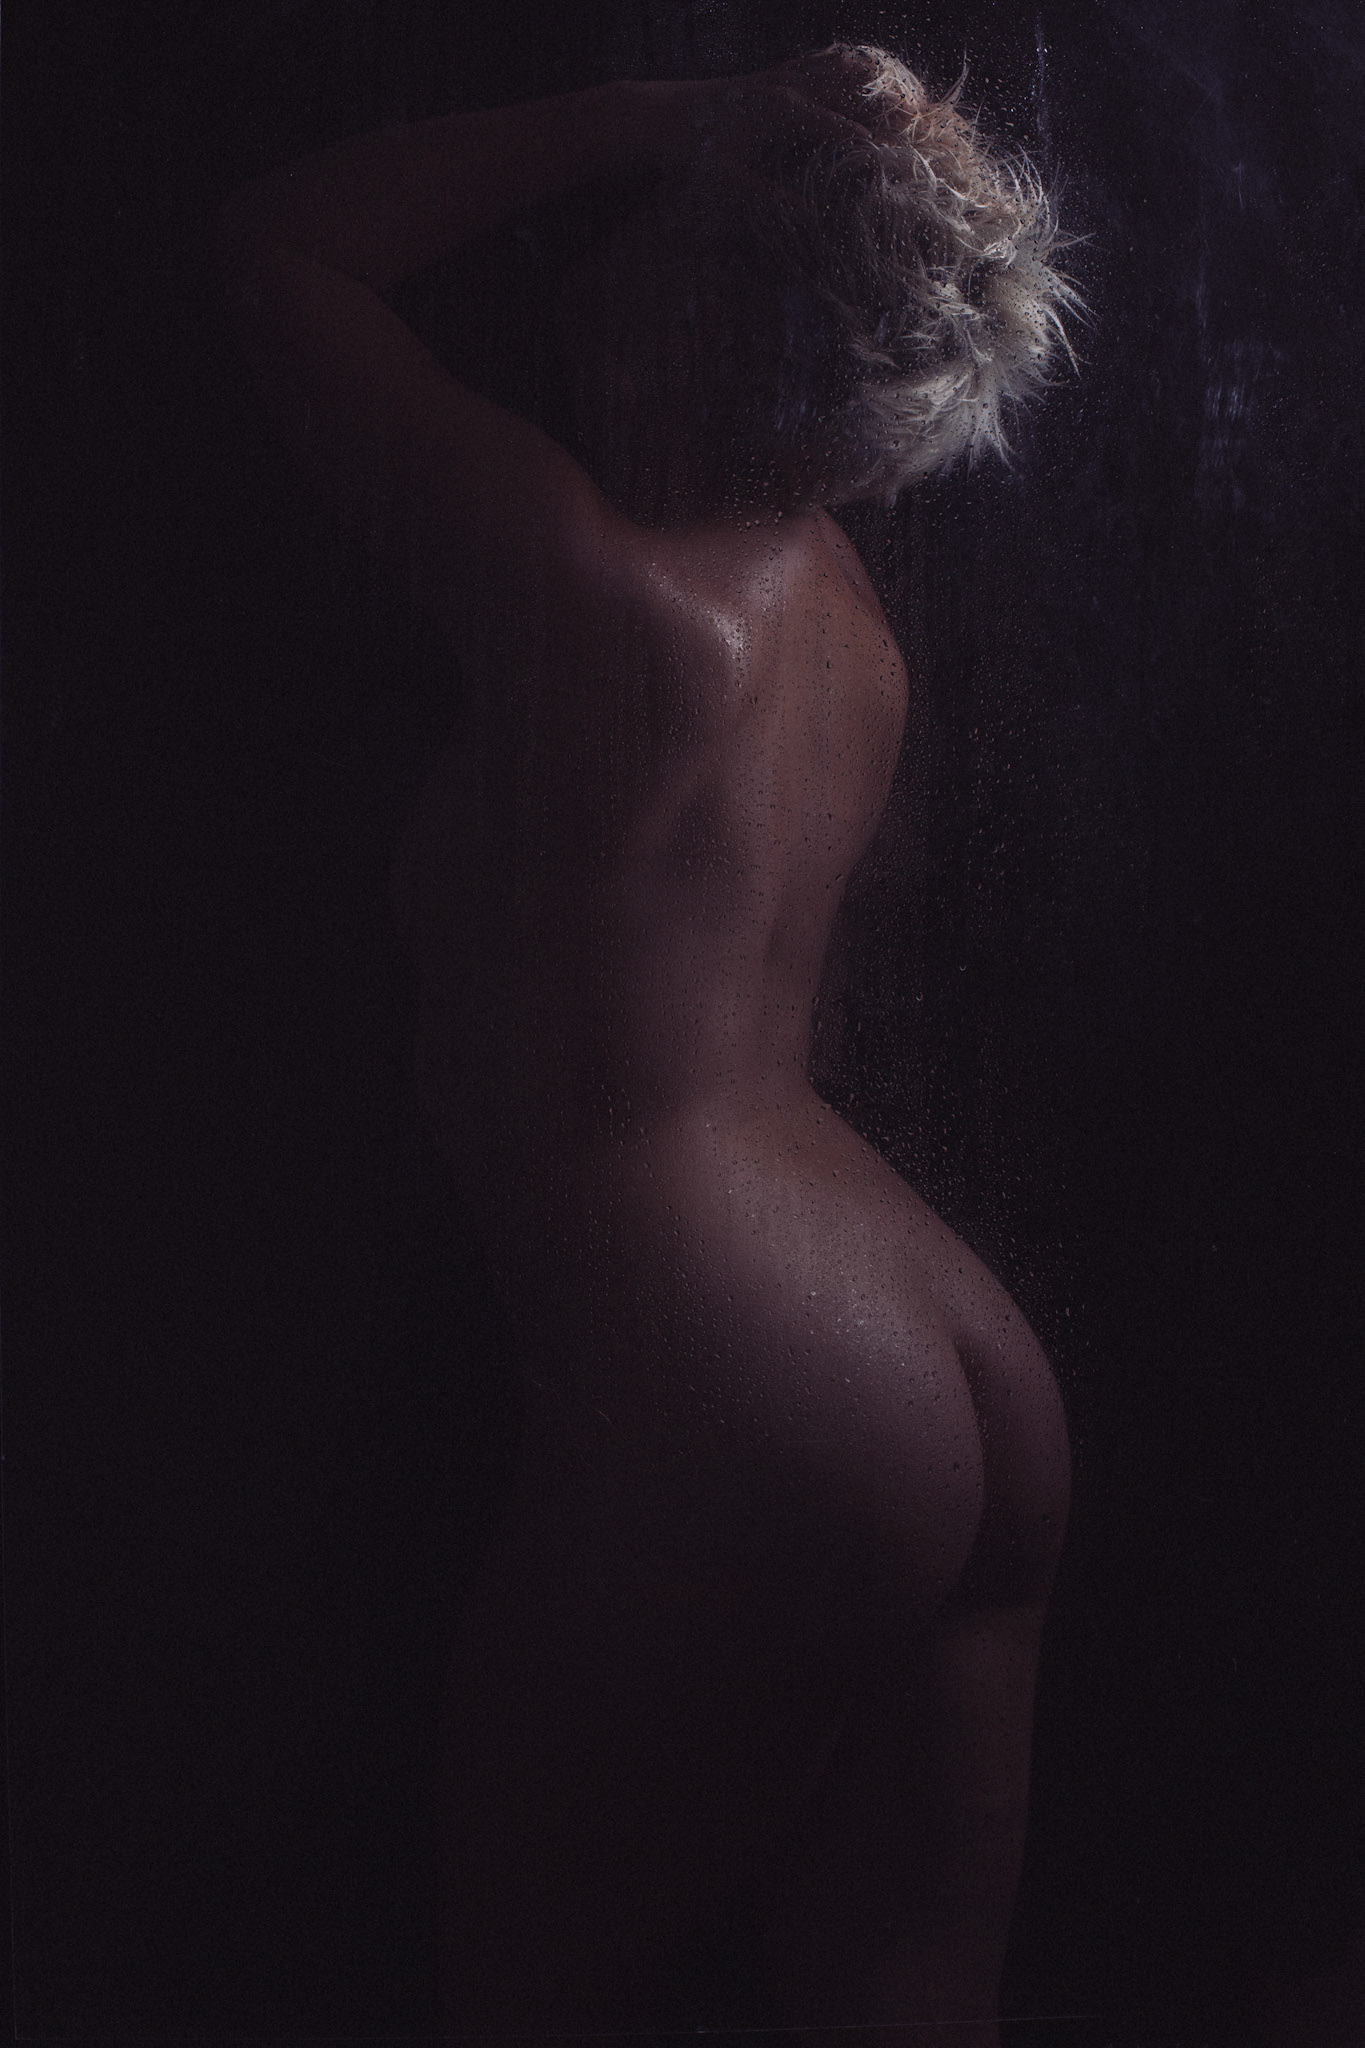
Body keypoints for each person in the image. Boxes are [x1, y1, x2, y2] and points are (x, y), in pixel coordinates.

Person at [219, 44, 1077, 2045]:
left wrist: (647, 119)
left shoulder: (597, 596)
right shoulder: (841, 617)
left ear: (710, 299)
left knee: (531, 2004)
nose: (593, 280)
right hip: (948, 1351)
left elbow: (280, 255)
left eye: (644, 246)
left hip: (749, 1395)